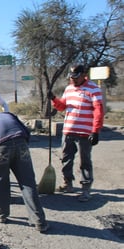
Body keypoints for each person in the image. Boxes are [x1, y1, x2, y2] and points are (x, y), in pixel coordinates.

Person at [48, 64, 104, 202]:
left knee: (84, 162)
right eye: (71, 77)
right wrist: (54, 99)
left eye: (76, 77)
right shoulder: (69, 89)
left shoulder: (94, 89)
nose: (73, 80)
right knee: (66, 158)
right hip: (69, 130)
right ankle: (68, 183)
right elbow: (62, 107)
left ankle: (86, 189)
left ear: (84, 74)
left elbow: (99, 111)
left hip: (85, 132)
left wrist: (95, 131)